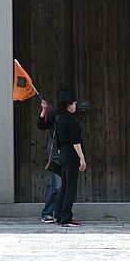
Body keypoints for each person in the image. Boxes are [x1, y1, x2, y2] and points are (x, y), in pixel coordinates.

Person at [53, 89, 87, 227]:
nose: (75, 105)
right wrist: (82, 158)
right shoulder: (71, 119)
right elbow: (76, 141)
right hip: (72, 154)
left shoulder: (59, 118)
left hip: (63, 154)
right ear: (69, 104)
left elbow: (57, 140)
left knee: (65, 186)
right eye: (74, 103)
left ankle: (60, 216)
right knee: (71, 188)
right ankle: (66, 217)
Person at [37, 98, 61, 223]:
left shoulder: (72, 117)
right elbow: (41, 124)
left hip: (67, 156)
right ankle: (47, 213)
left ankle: (57, 213)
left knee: (61, 186)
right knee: (58, 186)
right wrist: (44, 110)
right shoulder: (54, 116)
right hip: (56, 155)